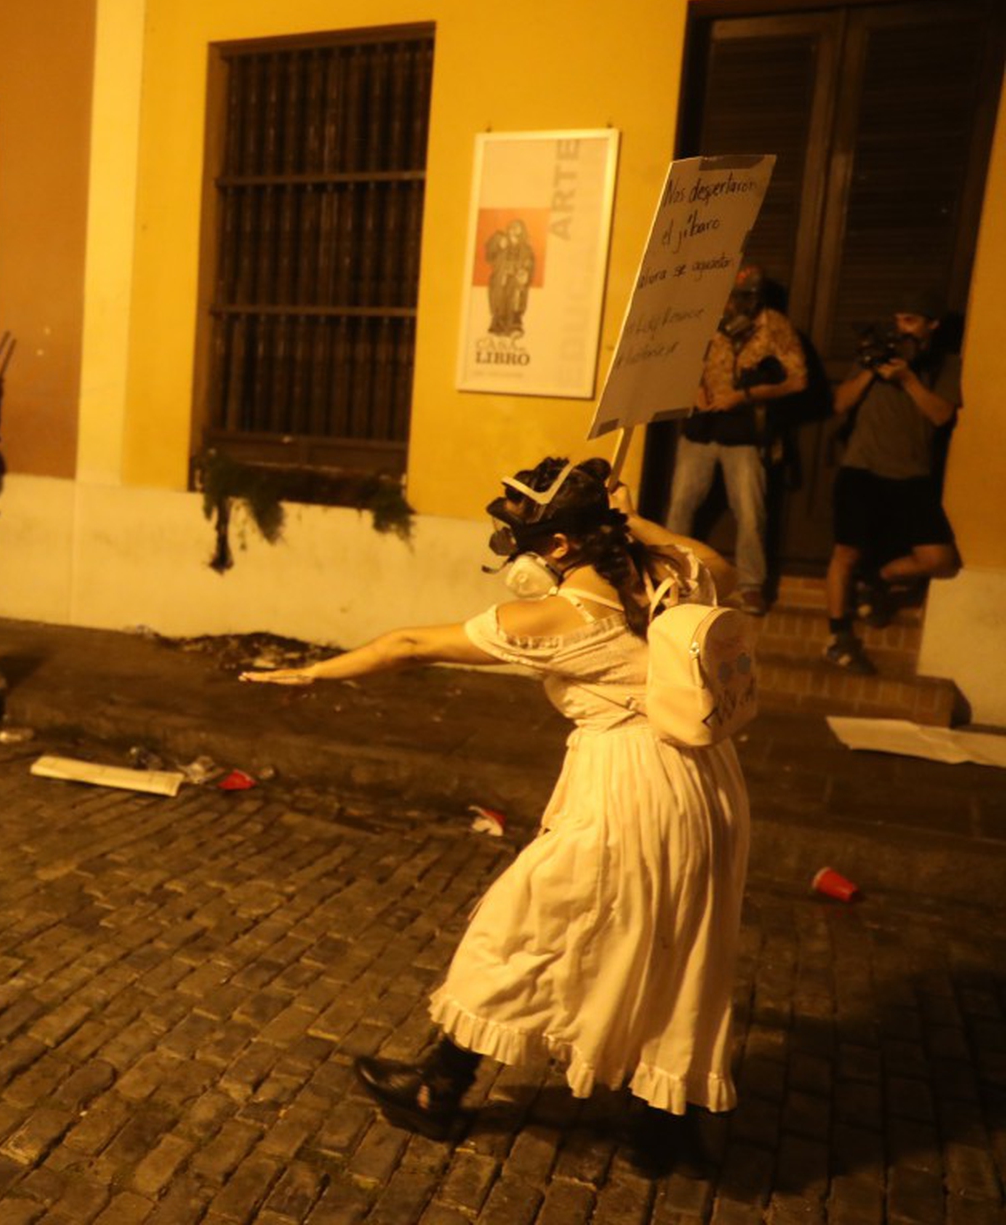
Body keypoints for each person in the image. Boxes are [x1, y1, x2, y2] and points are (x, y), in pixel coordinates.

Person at [243, 456, 750, 1174]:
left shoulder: (562, 614)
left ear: (558, 547)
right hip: (707, 784)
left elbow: (410, 645)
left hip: (628, 789)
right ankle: (666, 1122)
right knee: (680, 945)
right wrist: (627, 520)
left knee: (524, 928)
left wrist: (313, 672)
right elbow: (720, 563)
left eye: (526, 541)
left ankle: (438, 1086)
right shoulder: (673, 574)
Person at [823, 292, 962, 674]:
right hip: (861, 471)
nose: (902, 328)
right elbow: (840, 404)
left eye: (912, 321)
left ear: (931, 325)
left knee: (939, 559)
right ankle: (839, 636)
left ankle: (877, 579)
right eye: (899, 319)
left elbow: (940, 415)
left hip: (910, 476)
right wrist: (871, 369)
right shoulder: (874, 355)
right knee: (844, 555)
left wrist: (907, 379)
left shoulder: (945, 365)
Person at [664, 265, 807, 615]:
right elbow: (677, 358)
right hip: (701, 427)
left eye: (745, 297)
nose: (737, 304)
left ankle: (751, 585)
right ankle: (670, 577)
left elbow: (798, 379)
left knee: (750, 510)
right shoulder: (704, 316)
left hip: (744, 430)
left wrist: (745, 395)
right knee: (681, 504)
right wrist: (694, 389)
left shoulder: (773, 324)